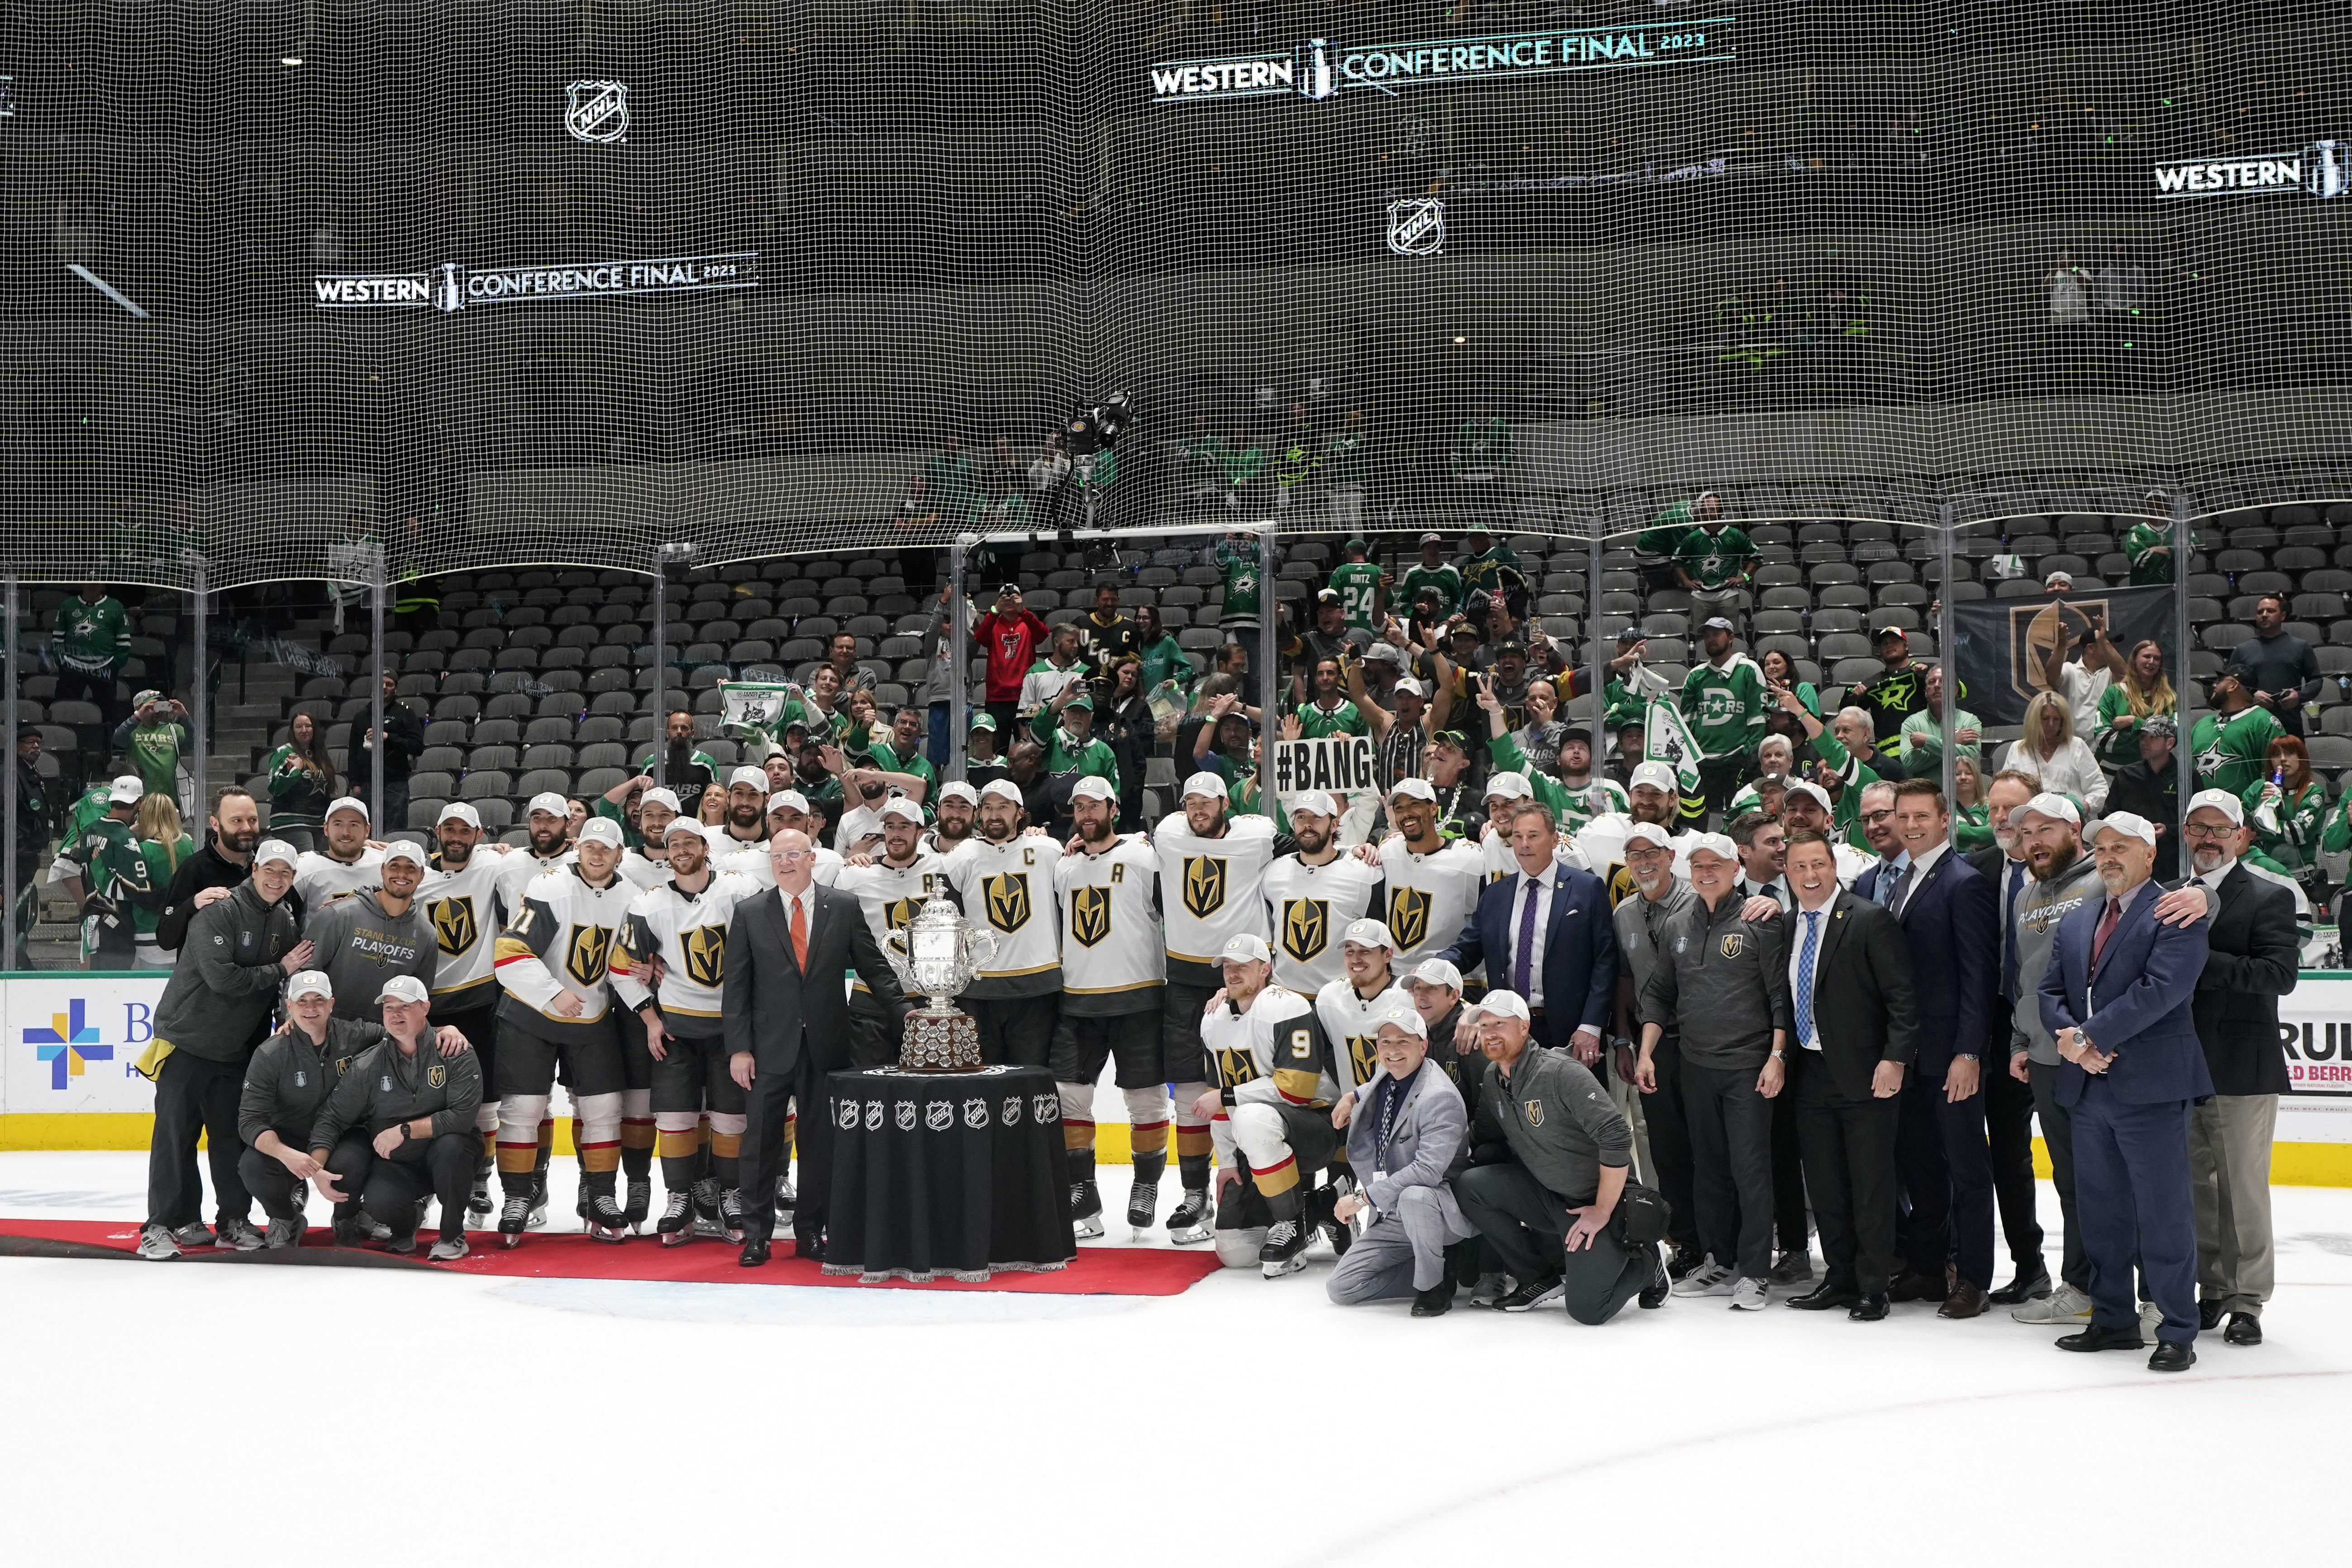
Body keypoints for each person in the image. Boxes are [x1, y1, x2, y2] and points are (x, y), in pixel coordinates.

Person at [2037, 811, 2212, 1372]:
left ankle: (2177, 1328)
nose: (2107, 856)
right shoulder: (2076, 918)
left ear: (2148, 854)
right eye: (2101, 847)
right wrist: (2071, 1041)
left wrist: (2089, 1035)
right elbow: (2048, 990)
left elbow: (2160, 991)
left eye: (2121, 847)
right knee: (2101, 1212)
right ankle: (2112, 1320)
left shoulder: (2174, 911)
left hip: (2151, 1088)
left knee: (2162, 1215)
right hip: (2087, 1088)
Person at [726, 829, 911, 1265]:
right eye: (777, 856)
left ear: (812, 857)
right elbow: (735, 988)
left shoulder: (842, 906)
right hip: (767, 1050)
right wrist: (739, 1048)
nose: (785, 862)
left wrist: (906, 1011)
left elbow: (874, 966)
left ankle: (810, 1231)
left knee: (819, 1145)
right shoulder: (750, 912)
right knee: (759, 1147)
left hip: (826, 1047)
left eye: (793, 854)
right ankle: (757, 1235)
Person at [1853, 780, 1999, 1317]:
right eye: (1903, 816)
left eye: (1921, 817)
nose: (1910, 825)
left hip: (1948, 1056)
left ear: (1945, 821)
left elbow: (1977, 978)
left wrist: (1968, 1052)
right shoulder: (1890, 882)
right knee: (1919, 1167)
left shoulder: (1962, 884)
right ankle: (1925, 1267)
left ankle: (1975, 1277)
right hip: (1906, 1054)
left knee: (1964, 1166)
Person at [136, 839, 314, 1259]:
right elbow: (225, 980)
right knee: (174, 1138)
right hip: (186, 1041)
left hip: (235, 1051)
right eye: (270, 870)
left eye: (285, 873)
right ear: (253, 870)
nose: (277, 879)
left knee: (231, 1141)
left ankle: (232, 1221)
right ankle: (162, 1224)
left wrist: (285, 1007)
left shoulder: (285, 922)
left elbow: (280, 984)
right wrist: (281, 968)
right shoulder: (218, 911)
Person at [1637, 833, 1791, 1308]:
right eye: (1698, 864)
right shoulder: (1677, 923)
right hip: (1695, 1065)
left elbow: (1778, 998)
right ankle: (1718, 1260)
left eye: (1715, 865)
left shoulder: (1758, 919)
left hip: (1747, 1066)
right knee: (1707, 1167)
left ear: (1735, 868)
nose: (1706, 872)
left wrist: (1777, 1056)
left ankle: (1754, 1272)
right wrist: (1645, 1052)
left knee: (1749, 1168)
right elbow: (1660, 994)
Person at [1454, 989, 1665, 1321]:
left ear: (1525, 1027)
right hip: (1550, 1196)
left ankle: (1646, 1265)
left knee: (1588, 1310)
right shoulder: (1493, 1079)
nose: (1489, 1032)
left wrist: (1601, 1208)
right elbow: (1484, 1137)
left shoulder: (1560, 1072)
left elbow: (1616, 1135)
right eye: (1483, 1026)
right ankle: (1538, 1278)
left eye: (1499, 1023)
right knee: (1471, 1184)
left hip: (1600, 1203)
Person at [1780, 829, 1917, 1319]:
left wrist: (1894, 1057)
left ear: (1832, 866)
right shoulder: (1786, 924)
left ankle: (1871, 1286)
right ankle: (1837, 1278)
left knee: (1870, 1185)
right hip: (1809, 1072)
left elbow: (1901, 996)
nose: (1809, 875)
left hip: (1864, 1071)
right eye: (1799, 867)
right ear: (1787, 873)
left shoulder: (1868, 919)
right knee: (1825, 1184)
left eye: (1817, 864)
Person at [610, 816, 766, 1247]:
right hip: (676, 1028)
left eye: (688, 842)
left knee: (731, 1119)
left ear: (704, 847)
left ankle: (732, 1195)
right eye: (672, 842)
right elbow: (621, 968)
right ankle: (678, 1199)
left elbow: (770, 946)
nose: (680, 848)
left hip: (731, 1029)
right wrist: (651, 1019)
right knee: (676, 1118)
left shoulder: (740, 890)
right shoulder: (648, 904)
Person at [2182, 789, 2298, 1346]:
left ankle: (2247, 1299)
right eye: (2197, 828)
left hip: (2242, 1068)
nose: (2207, 838)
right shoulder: (2166, 895)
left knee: (2241, 1190)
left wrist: (2199, 958)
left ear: (2240, 836)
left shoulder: (2266, 897)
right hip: (2179, 1067)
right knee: (2195, 1188)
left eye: (2218, 829)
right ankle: (2209, 1290)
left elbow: (2277, 976)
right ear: (2184, 835)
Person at [489, 815, 637, 1245]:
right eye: (590, 845)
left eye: (606, 848)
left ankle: (601, 1196)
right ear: (578, 848)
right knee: (523, 1110)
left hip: (593, 1017)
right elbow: (510, 950)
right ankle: (518, 1197)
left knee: (604, 1108)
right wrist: (553, 994)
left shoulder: (630, 895)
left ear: (619, 854)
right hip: (530, 1015)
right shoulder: (550, 886)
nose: (596, 853)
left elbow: (632, 953)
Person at [1150, 772, 1281, 1242]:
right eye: (1190, 802)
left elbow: (1310, 851)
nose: (1197, 810)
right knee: (1188, 1092)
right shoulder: (1167, 833)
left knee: (1245, 1088)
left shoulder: (1257, 835)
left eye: (1206, 802)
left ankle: (1258, 1190)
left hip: (1244, 978)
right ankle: (1194, 1194)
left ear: (1225, 802)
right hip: (1183, 980)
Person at [1050, 777, 1169, 1238]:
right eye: (1078, 806)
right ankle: (1084, 1191)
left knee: (1144, 1100)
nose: (1085, 813)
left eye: (1094, 806)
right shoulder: (1064, 867)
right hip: (1078, 999)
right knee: (1068, 1096)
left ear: (1113, 808)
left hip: (1139, 996)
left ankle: (1145, 1187)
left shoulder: (1142, 855)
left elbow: (1169, 915)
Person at [1195, 933, 1345, 1278]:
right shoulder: (1213, 1019)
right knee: (1236, 1252)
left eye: (1243, 967)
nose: (1232, 974)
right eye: (1228, 967)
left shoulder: (1287, 1005)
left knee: (1250, 1116)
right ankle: (1319, 1205)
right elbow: (1217, 1102)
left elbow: (1296, 1091)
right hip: (1258, 1138)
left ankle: (1290, 1224)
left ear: (1265, 969)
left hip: (1315, 1128)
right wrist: (1228, 1162)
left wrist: (1228, 1096)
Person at [307, 974, 485, 1259]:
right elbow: (332, 1118)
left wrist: (403, 1131)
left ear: (425, 1008)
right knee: (380, 1204)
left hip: (447, 1154)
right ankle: (406, 1224)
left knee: (453, 1147)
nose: (395, 1014)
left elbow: (462, 1117)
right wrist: (316, 1169)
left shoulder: (454, 1051)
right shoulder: (368, 1064)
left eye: (405, 1006)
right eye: (389, 1008)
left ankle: (453, 1235)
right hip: (399, 1162)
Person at [1326, 1006, 1479, 1315]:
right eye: (1385, 1042)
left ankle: (1432, 1288)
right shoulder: (1389, 1070)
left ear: (1423, 1045)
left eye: (1403, 1042)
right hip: (1395, 1211)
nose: (1393, 1051)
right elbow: (1377, 1084)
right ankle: (1440, 1267)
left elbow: (1428, 1171)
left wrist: (1362, 1197)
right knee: (1342, 1287)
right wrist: (1351, 1096)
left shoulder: (1439, 1097)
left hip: (1438, 1208)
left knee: (1415, 1195)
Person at [1441, 800, 1616, 1058]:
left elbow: (1606, 960)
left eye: (1533, 836)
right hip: (1510, 1025)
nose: (1524, 844)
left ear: (1555, 839)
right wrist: (1434, 968)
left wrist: (1591, 1025)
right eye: (1518, 836)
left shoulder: (1586, 889)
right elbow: (1467, 949)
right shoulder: (1496, 894)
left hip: (1572, 1029)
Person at [1969, 770, 2054, 1302]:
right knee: (2003, 1153)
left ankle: (2090, 1277)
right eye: (1994, 809)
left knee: (2068, 1157)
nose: (2002, 819)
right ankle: (2028, 1267)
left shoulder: (2065, 874)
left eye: (2012, 809)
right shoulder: (1974, 870)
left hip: (2053, 1028)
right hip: (1990, 1027)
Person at [1609, 822, 1701, 1273]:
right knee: (1667, 1147)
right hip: (1653, 1043)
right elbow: (1624, 980)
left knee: (1711, 1143)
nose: (1643, 863)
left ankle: (1725, 1238)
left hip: (1703, 1040)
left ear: (1669, 856)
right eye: (1634, 856)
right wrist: (1624, 1039)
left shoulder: (1695, 899)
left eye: (1650, 853)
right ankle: (1687, 1241)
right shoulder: (1623, 912)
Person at [940, 779, 1063, 1064]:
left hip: (1037, 984)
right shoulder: (961, 857)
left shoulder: (1047, 850)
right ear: (979, 814)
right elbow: (949, 921)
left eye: (1003, 807)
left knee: (1031, 1077)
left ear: (1019, 813)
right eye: (988, 808)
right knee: (985, 1080)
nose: (995, 815)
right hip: (980, 988)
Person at [1263, 793, 1381, 1000]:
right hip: (1282, 995)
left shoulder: (1364, 873)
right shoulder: (1273, 871)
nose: (1307, 824)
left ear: (1334, 824)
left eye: (1316, 817)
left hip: (1339, 998)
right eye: (1301, 817)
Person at [1678, 618, 1768, 822]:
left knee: (1741, 819)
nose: (1710, 639)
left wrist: (1750, 754)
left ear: (1731, 638)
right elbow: (1687, 723)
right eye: (1707, 635)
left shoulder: (1749, 669)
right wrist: (1692, 758)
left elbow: (1758, 717)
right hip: (1704, 763)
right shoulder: (1695, 676)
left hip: (1738, 760)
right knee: (1705, 820)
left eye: (1716, 634)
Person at [2228, 594, 2320, 739]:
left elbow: (2316, 680)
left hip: (2290, 726)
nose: (2264, 615)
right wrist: (2251, 697)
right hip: (2251, 727)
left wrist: (2299, 696)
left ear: (2283, 616)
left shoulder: (2301, 647)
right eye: (2260, 612)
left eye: (2270, 611)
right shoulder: (2242, 650)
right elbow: (2228, 685)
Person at [2002, 690, 2109, 812]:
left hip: (2070, 820)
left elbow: (2099, 788)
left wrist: (2084, 807)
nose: (2051, 724)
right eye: (2045, 719)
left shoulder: (2077, 746)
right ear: (2034, 720)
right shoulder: (2017, 749)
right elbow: (2005, 791)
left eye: (2056, 719)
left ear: (2063, 722)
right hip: (2029, 820)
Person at [2244, 735, 2326, 891]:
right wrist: (2261, 808)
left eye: (2289, 753)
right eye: (2276, 755)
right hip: (2262, 873)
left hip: (2300, 877)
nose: (2282, 759)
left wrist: (2260, 827)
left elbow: (2298, 833)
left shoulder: (2313, 793)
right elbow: (2240, 827)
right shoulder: (2259, 788)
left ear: (2301, 758)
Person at [2192, 662, 2285, 797]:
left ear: (2233, 685)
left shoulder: (2263, 721)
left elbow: (2279, 769)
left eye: (2220, 681)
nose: (2214, 685)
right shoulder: (2202, 724)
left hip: (2243, 814)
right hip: (2200, 811)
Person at [2104, 715, 2181, 878]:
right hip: (2130, 858)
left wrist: (2169, 830)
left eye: (2153, 737)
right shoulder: (2126, 774)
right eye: (2143, 737)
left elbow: (2194, 822)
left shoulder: (2185, 776)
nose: (2144, 743)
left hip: (2173, 861)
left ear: (2170, 743)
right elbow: (2108, 815)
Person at [50, 581, 129, 730]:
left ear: (103, 585)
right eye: (89, 582)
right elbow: (57, 638)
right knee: (67, 707)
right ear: (82, 584)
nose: (92, 586)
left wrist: (116, 664)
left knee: (108, 710)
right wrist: (61, 661)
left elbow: (124, 640)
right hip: (72, 667)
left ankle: (107, 745)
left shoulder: (115, 607)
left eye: (96, 583)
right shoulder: (68, 605)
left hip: (104, 668)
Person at [351, 672, 425, 830]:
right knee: (365, 834)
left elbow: (417, 747)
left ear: (395, 689)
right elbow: (353, 752)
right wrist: (355, 783)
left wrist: (388, 737)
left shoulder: (405, 714)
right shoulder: (361, 716)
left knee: (394, 834)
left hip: (395, 784)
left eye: (389, 684)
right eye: (380, 683)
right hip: (367, 785)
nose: (384, 687)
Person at [973, 584, 1050, 735]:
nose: (1010, 602)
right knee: (999, 747)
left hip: (1025, 695)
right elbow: (980, 637)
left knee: (1025, 746)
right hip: (997, 697)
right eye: (1005, 599)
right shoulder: (993, 624)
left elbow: (1043, 634)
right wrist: (995, 611)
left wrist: (1024, 611)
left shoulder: (1027, 623)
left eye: (1014, 598)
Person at [2095, 639, 2177, 774]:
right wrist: (2154, 740)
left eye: (2157, 659)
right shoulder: (2114, 693)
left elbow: (2174, 739)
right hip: (2112, 774)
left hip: (2155, 774)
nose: (2151, 662)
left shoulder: (2169, 698)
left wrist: (2135, 722)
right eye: (2147, 657)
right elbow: (2103, 739)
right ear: (2134, 660)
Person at [263, 710, 338, 854]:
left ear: (314, 728)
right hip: (291, 821)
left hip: (318, 822)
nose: (304, 730)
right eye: (299, 727)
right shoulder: (284, 752)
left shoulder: (320, 754)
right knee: (308, 862)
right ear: (292, 730)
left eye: (308, 726)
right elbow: (274, 788)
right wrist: (294, 771)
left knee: (324, 863)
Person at [294, 796, 386, 908]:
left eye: (354, 825)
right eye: (338, 824)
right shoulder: (306, 867)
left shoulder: (385, 863)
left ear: (367, 830)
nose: (346, 832)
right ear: (326, 829)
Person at [1673, 514, 1758, 634]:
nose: (1710, 512)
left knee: (1731, 636)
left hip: (1727, 595)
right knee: (1700, 637)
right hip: (1700, 596)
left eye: (1713, 508)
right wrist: (1686, 581)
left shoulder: (1735, 535)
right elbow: (1677, 560)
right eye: (1706, 508)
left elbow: (1757, 557)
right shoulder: (1694, 537)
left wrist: (1744, 577)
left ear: (1720, 512)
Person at [1895, 665, 1981, 781]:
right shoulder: (1912, 723)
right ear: (1926, 691)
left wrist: (1927, 742)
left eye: (1943, 681)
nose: (1937, 685)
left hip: (1961, 793)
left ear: (1955, 691)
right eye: (1932, 682)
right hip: (1924, 793)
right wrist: (1954, 742)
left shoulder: (1970, 720)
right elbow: (1909, 763)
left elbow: (1972, 757)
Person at [1848, 628, 1930, 743]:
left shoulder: (1926, 672)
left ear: (1906, 646)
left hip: (1921, 745)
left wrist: (1928, 675)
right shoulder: (1871, 683)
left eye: (1894, 642)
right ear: (1880, 651)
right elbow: (1846, 710)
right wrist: (1852, 694)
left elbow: (1958, 691)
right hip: (1886, 752)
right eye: (1885, 644)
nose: (1890, 646)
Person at [110, 690, 189, 808]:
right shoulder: (132, 731)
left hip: (170, 799)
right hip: (142, 799)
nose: (157, 711)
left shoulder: (173, 729)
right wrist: (137, 716)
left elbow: (193, 744)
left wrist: (185, 717)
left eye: (159, 706)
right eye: (152, 707)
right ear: (139, 708)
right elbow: (118, 739)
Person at [1076, 583, 1140, 673]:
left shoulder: (1130, 627)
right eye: (1105, 600)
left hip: (1118, 682)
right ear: (1096, 600)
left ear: (1118, 600)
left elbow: (1134, 663)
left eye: (1113, 600)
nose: (1110, 604)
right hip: (1085, 679)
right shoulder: (1080, 624)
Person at [1400, 533, 1463, 620]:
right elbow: (1404, 603)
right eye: (1429, 547)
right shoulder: (1413, 573)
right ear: (1422, 550)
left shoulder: (1451, 572)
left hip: (1445, 623)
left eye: (1436, 547)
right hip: (1419, 623)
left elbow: (1459, 600)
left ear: (1440, 549)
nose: (1433, 551)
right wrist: (1414, 615)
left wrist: (1453, 617)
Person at [1757, 648, 1819, 720]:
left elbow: (1812, 723)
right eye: (1767, 664)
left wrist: (1785, 696)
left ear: (1788, 666)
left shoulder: (1804, 688)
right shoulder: (1761, 693)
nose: (1771, 667)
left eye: (1776, 663)